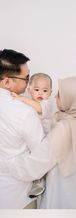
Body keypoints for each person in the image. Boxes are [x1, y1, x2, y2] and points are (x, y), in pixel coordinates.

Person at [1, 77, 76, 209]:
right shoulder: (74, 119)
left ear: (69, 98)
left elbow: (38, 163)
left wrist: (10, 164)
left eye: (59, 95)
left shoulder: (63, 127)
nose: (55, 98)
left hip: (61, 187)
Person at [0, 49, 48, 209]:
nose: (28, 82)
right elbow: (42, 154)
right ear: (7, 82)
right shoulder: (24, 112)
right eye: (26, 78)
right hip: (18, 195)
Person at [11, 73, 56, 198]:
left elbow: (39, 108)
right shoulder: (28, 102)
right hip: (32, 137)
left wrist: (22, 99)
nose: (40, 93)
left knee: (40, 159)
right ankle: (34, 177)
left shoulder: (47, 103)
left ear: (50, 92)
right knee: (31, 157)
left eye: (45, 90)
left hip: (45, 138)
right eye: (36, 90)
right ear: (29, 90)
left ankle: (39, 181)